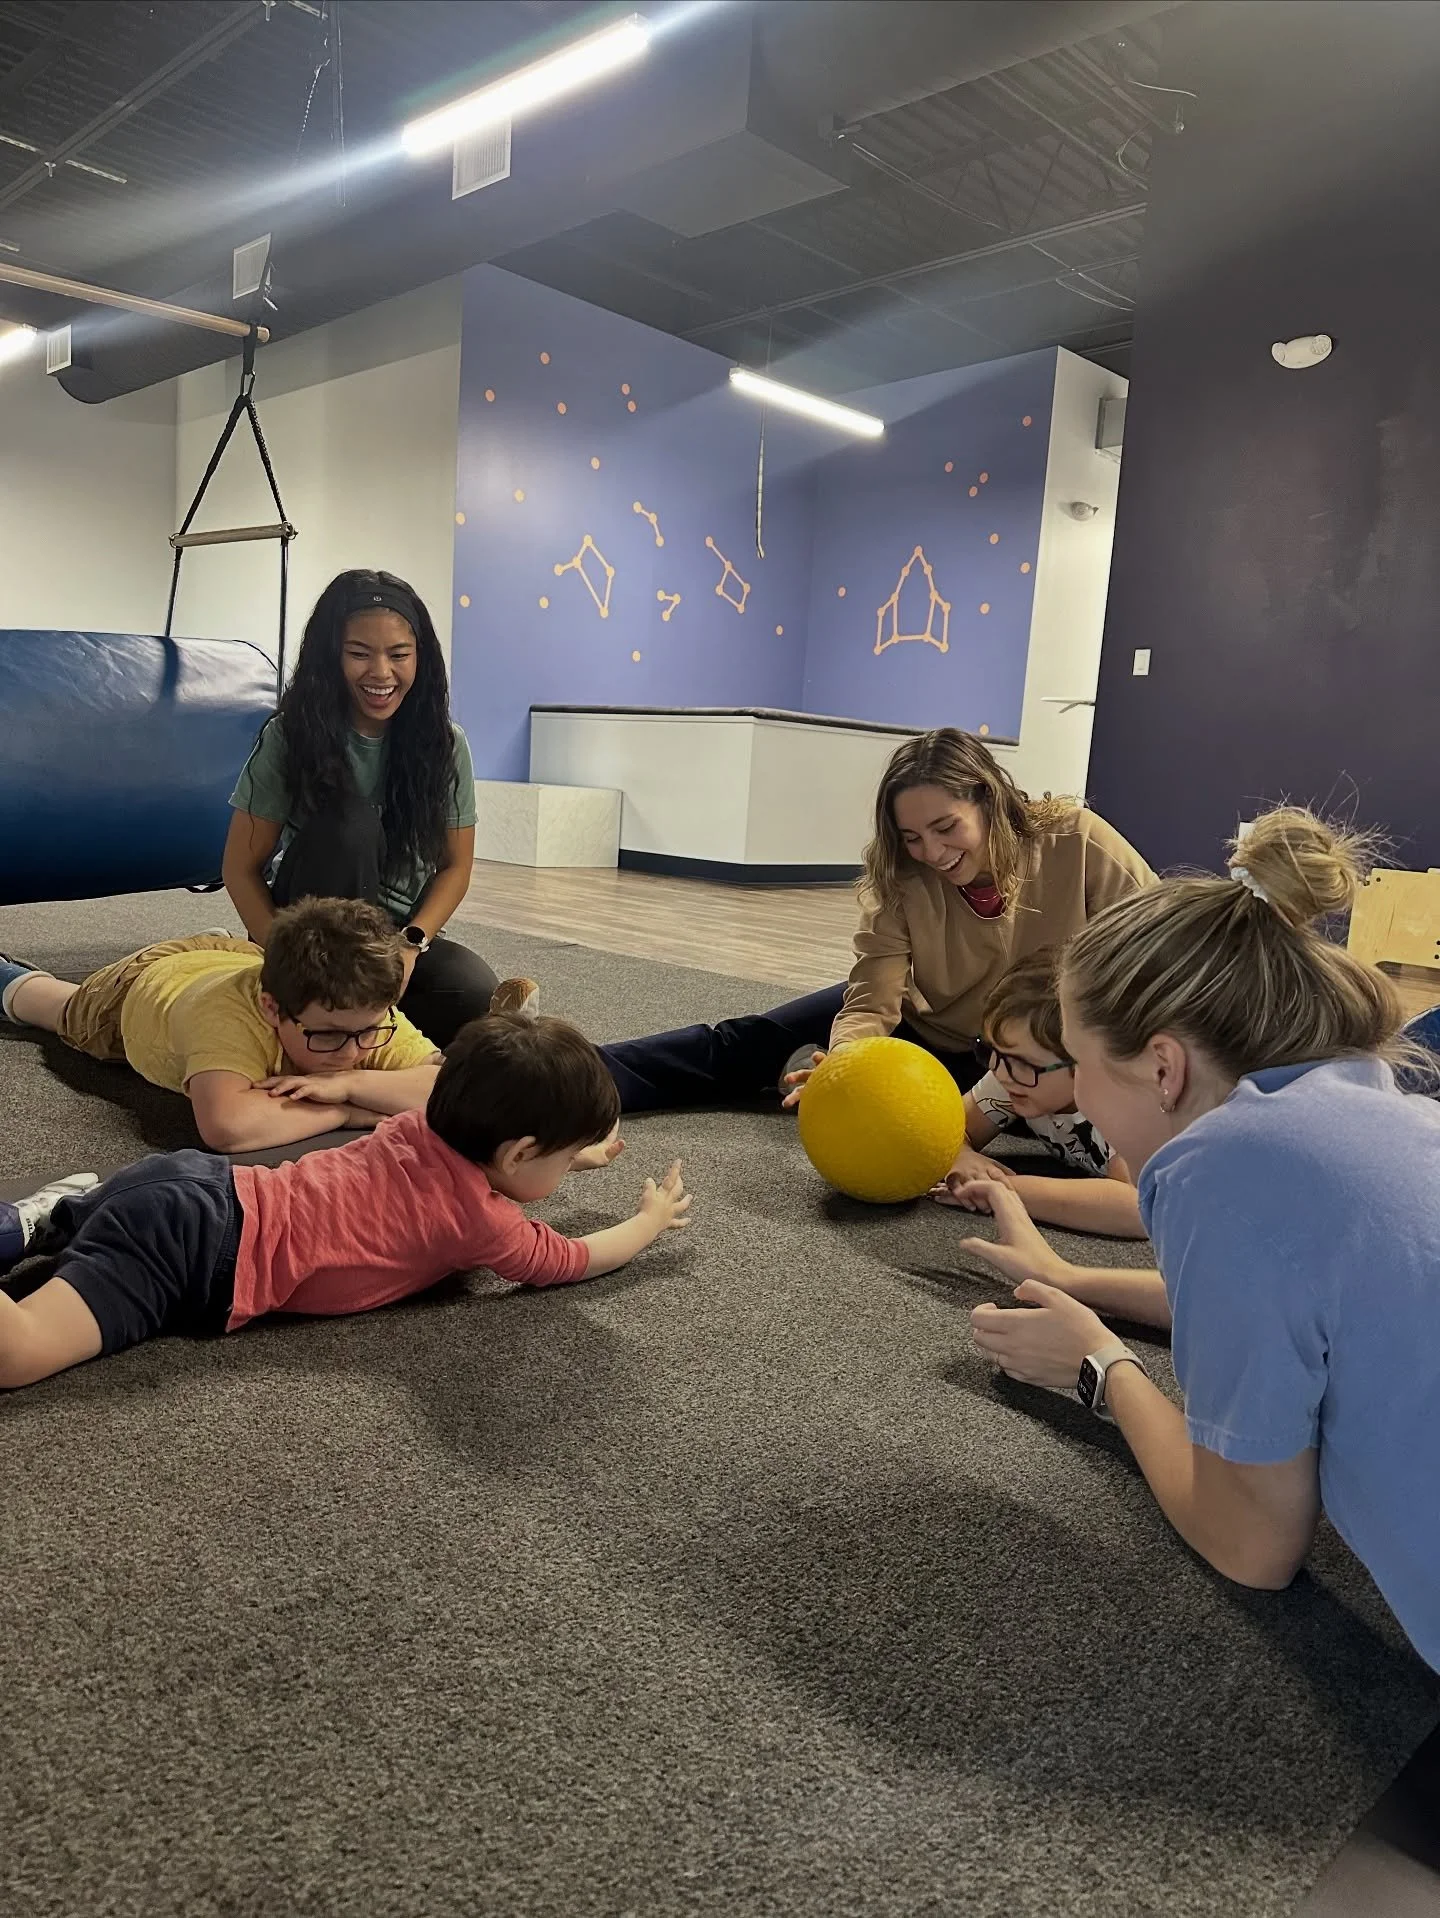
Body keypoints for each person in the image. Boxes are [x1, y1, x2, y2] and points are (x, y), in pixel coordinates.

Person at [965, 809, 1440, 1672]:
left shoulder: (1215, 1168)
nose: (1083, 1107)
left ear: (1162, 1066)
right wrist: (1073, 1278)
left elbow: (1252, 1546)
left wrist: (1100, 1366)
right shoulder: (1381, 1112)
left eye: (1077, 1063)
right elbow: (1309, 1317)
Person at [0, 1012, 688, 1393]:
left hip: (193, 1181)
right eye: (566, 1161)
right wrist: (648, 1222)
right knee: (18, 1354)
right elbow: (573, 1258)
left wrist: (579, 1148)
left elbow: (445, 1101)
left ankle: (45, 1217)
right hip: (191, 1257)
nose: (568, 1172)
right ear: (516, 1153)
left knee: (53, 1235)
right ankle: (55, 1220)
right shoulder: (482, 1222)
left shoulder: (419, 1124)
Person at [600, 728, 1155, 1111]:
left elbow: (1157, 958)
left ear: (988, 800)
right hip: (926, 1029)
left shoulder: (1077, 841)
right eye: (912, 837)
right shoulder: (901, 876)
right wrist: (844, 1064)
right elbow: (871, 999)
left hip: (1025, 1054)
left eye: (946, 827)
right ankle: (583, 1076)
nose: (932, 852)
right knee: (748, 1041)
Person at [223, 568, 509, 1048]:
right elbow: (239, 867)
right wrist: (278, 953)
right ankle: (322, 1008)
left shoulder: (445, 744)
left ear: (422, 658)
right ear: (331, 658)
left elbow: (455, 866)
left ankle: (363, 1013)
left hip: (392, 941)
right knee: (351, 824)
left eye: (399, 655)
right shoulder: (290, 735)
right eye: (359, 654)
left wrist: (410, 946)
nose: (381, 673)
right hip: (310, 935)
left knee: (476, 998)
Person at [0, 897, 522, 1154]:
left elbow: (445, 1087)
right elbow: (227, 1126)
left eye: (369, 1033)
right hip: (143, 989)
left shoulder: (358, 1013)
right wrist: (345, 1110)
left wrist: (347, 1082)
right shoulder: (226, 1019)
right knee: (55, 1010)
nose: (354, 1049)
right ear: (273, 1010)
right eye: (330, 1036)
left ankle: (220, 942)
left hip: (237, 955)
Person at [932, 946, 1145, 1239]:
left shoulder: (1124, 1104)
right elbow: (950, 1128)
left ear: (1089, 1062)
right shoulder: (1012, 1074)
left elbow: (1137, 1208)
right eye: (990, 1049)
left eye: (1023, 1063)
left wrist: (1005, 1190)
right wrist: (958, 1155)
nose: (1001, 1073)